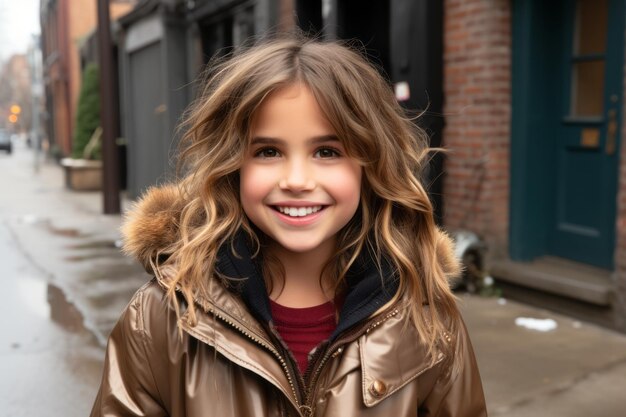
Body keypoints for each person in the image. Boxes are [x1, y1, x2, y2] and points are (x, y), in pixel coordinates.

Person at [90, 34, 487, 417]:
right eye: (268, 151)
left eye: (327, 151)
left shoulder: (427, 318)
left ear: (372, 165)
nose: (296, 180)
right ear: (231, 166)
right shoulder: (161, 315)